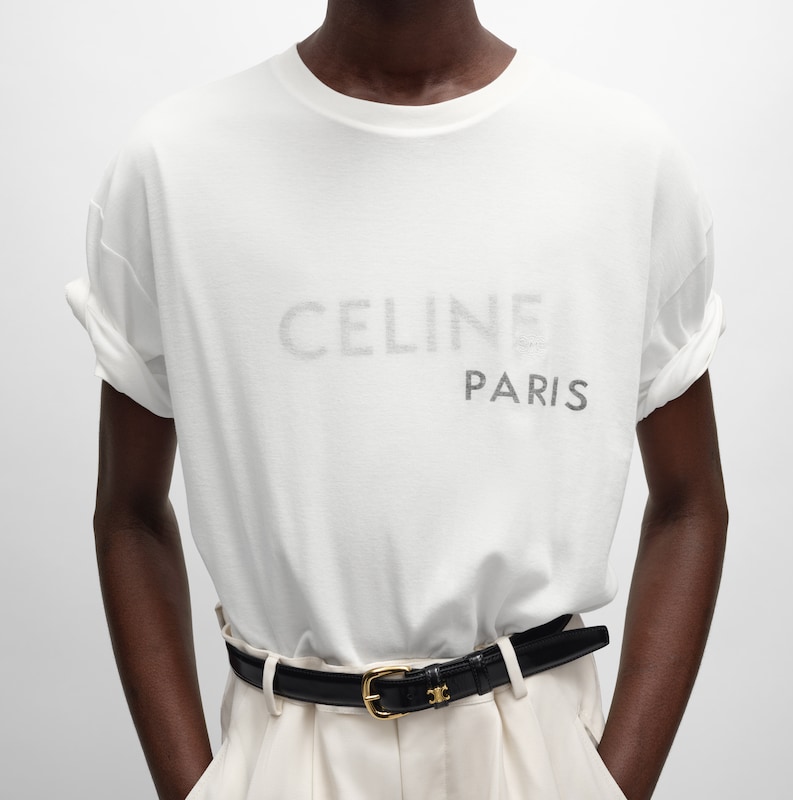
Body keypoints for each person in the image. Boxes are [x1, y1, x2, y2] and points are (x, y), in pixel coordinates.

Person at [65, 2, 728, 799]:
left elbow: (691, 501)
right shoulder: (175, 164)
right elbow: (129, 511)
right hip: (286, 755)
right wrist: (193, 786)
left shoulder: (622, 158)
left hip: (534, 752)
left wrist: (615, 785)